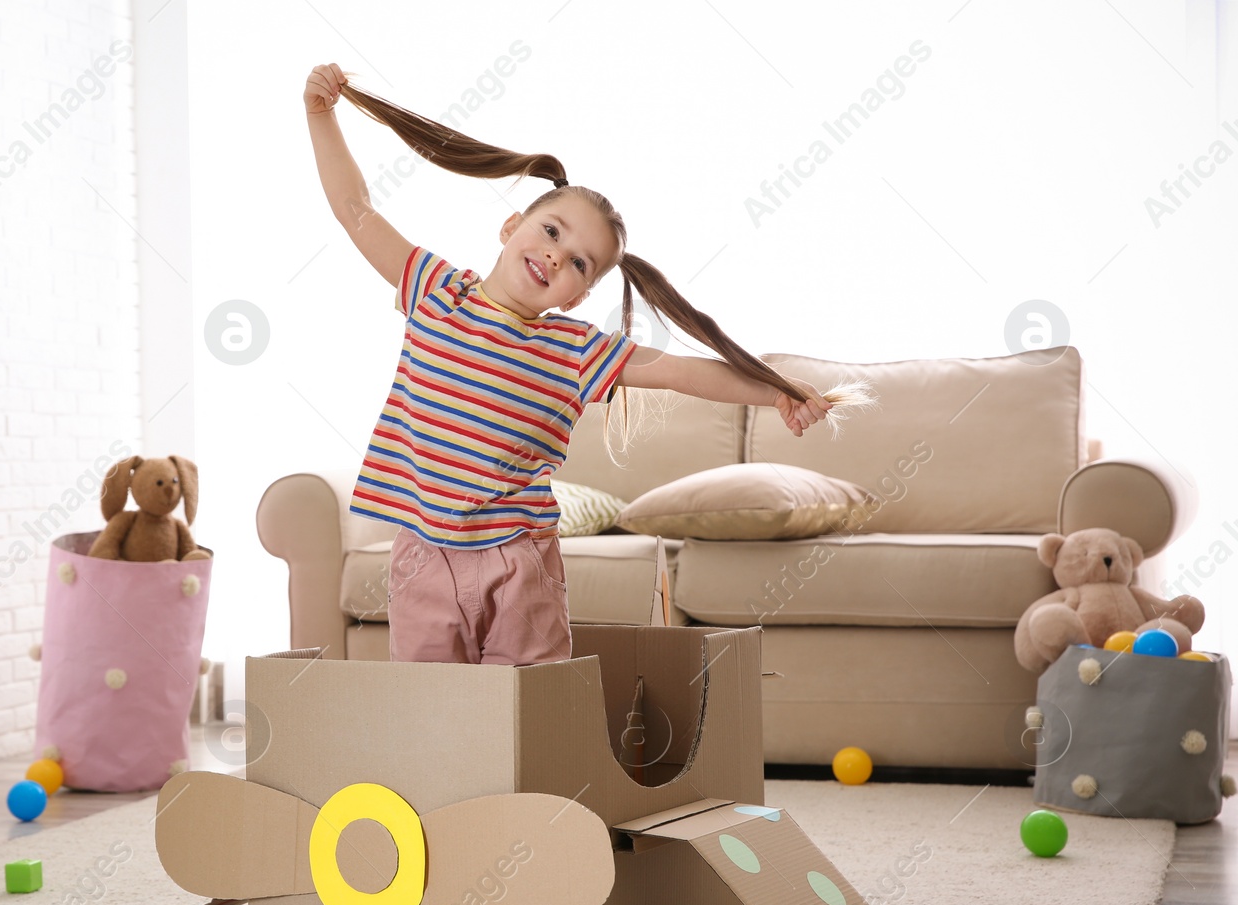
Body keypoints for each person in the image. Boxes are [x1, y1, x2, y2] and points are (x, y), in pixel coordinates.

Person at [304, 62, 874, 667]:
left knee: (528, 712)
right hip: (423, 553)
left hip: (519, 559)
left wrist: (775, 392)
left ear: (577, 297)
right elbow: (354, 208)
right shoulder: (435, 290)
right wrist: (321, 115)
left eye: (579, 263)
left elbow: (682, 371)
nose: (556, 255)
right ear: (509, 226)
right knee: (429, 713)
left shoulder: (576, 349)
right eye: (550, 230)